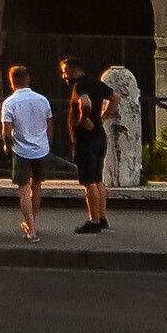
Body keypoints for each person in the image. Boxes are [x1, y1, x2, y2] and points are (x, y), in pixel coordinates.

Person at [0, 62, 57, 241]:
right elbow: (50, 126)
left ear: (12, 81)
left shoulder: (10, 103)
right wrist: (47, 144)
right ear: (28, 79)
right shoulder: (43, 100)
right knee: (37, 186)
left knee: (24, 190)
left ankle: (31, 230)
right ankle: (32, 221)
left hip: (21, 150)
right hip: (42, 149)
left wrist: (7, 147)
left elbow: (6, 132)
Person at [62, 56, 112, 235]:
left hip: (85, 140)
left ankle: (94, 221)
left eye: (65, 72)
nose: (64, 76)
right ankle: (103, 218)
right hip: (100, 137)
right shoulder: (97, 84)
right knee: (98, 180)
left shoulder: (80, 86)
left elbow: (86, 102)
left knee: (89, 182)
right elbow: (116, 98)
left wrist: (83, 119)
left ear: (75, 71)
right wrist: (104, 116)